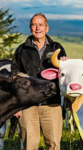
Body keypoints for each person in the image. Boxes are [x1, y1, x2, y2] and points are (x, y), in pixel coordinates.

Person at [11, 13, 67, 150]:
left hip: (51, 103)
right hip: (27, 105)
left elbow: (65, 74)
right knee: (30, 145)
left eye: (41, 25)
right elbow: (13, 77)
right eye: (34, 25)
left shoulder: (56, 48)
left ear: (46, 28)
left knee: (53, 144)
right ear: (30, 28)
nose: (37, 28)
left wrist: (65, 63)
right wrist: (16, 106)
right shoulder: (21, 50)